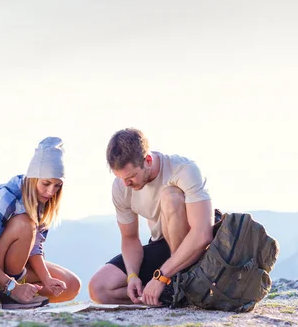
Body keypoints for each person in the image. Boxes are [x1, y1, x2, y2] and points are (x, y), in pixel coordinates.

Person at [88, 128, 215, 306]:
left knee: (170, 196)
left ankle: (179, 282)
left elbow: (202, 234)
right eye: (120, 177)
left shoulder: (183, 170)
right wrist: (132, 276)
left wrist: (162, 276)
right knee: (99, 289)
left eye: (131, 176)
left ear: (148, 160)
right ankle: (171, 295)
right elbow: (129, 237)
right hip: (161, 244)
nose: (126, 184)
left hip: (193, 245)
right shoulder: (122, 185)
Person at [0, 137, 81, 308]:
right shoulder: (5, 197)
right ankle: (5, 293)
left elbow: (34, 247)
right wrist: (12, 286)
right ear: (34, 178)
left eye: (57, 185)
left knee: (71, 285)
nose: (51, 191)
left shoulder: (43, 201)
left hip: (14, 268)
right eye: (46, 183)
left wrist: (46, 279)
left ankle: (14, 295)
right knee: (25, 224)